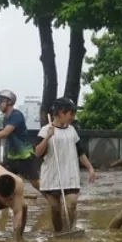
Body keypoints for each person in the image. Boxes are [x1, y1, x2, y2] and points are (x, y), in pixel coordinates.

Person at [35, 97, 96, 233]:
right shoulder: (45, 130)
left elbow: (80, 152)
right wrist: (47, 137)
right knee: (56, 209)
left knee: (71, 204)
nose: (73, 117)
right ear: (61, 112)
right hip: (51, 178)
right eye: (71, 114)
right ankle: (58, 234)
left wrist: (90, 168)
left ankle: (69, 231)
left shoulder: (72, 131)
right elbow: (38, 153)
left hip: (70, 176)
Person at [0, 90, 40, 191]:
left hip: (24, 156)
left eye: (0, 101)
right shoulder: (6, 118)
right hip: (12, 157)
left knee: (35, 183)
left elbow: (5, 132)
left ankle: (52, 199)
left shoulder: (16, 115)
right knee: (1, 181)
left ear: (9, 102)